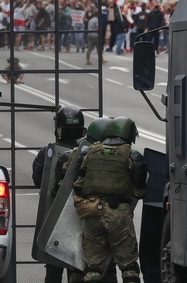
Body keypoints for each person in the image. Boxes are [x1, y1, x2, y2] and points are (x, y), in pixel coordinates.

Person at [73, 116, 147, 283]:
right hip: (118, 214)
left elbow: (78, 184)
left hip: (92, 211)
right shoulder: (131, 155)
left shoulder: (90, 152)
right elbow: (139, 191)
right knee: (129, 267)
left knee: (92, 268)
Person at [51, 117, 119, 283]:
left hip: (80, 220)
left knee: (77, 263)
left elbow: (56, 190)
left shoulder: (72, 156)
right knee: (106, 266)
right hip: (108, 222)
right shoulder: (121, 158)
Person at [30, 105, 86, 283]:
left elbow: (39, 181)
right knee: (77, 264)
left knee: (53, 267)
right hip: (80, 218)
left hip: (53, 217)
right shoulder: (88, 154)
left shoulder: (46, 154)